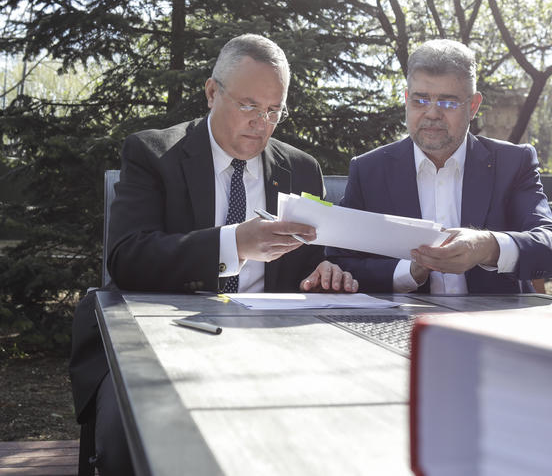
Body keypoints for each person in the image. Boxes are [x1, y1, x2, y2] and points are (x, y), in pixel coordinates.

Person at [69, 34, 357, 475]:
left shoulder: (300, 168)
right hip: (162, 340)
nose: (261, 122)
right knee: (133, 435)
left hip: (274, 346)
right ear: (211, 92)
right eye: (249, 105)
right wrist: (234, 244)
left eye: (274, 110)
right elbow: (129, 257)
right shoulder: (153, 153)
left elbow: (310, 262)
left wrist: (326, 270)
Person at [327, 39, 552, 294]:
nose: (432, 113)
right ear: (407, 99)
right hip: (405, 316)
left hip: (494, 314)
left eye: (448, 102)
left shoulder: (512, 163)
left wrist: (487, 247)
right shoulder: (369, 170)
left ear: (473, 106)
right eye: (420, 100)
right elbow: (339, 262)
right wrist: (407, 272)